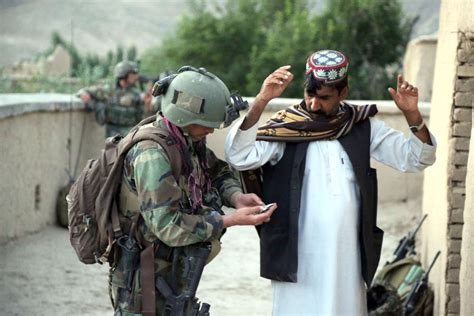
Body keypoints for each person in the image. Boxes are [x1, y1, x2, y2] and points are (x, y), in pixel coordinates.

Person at [224, 49, 437, 315]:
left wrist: (412, 115)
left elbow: (417, 159)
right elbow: (239, 155)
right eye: (309, 95)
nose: (314, 104)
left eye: (324, 98)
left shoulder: (361, 127)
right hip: (298, 255)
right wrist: (262, 100)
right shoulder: (286, 128)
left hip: (346, 255)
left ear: (343, 93)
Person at [110, 66, 276, 315]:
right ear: (184, 116)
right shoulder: (152, 154)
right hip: (142, 275)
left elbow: (217, 171)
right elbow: (168, 226)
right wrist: (228, 220)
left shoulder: (185, 140)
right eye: (207, 123)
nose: (212, 130)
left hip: (172, 265)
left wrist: (235, 196)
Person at [78, 60, 158, 137]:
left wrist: (147, 105)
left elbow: (144, 117)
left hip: (131, 133)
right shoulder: (109, 90)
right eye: (133, 73)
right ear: (123, 74)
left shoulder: (137, 93)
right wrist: (84, 94)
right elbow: (84, 91)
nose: (136, 76)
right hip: (113, 134)